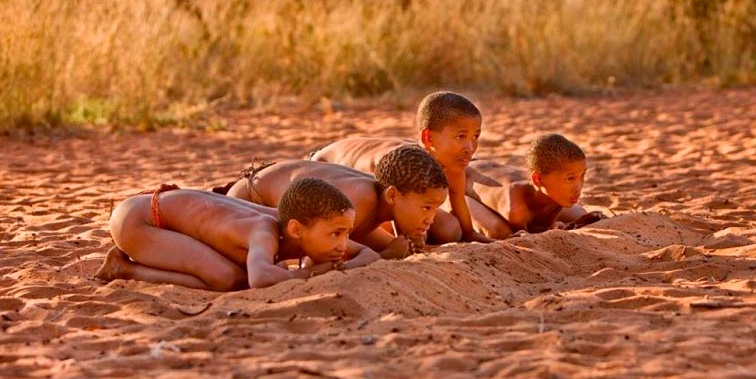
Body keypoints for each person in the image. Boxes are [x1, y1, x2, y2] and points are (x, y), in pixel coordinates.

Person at [95, 179, 379, 291]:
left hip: (168, 210)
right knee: (228, 279)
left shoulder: (308, 227)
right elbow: (260, 279)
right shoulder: (264, 231)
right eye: (336, 235)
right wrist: (319, 273)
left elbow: (368, 253)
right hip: (141, 219)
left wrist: (341, 264)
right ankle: (125, 268)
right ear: (296, 229)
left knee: (269, 267)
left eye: (346, 234)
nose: (343, 244)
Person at [309, 91, 492, 243]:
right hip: (327, 164)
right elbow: (393, 204)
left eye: (475, 136)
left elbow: (464, 223)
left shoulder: (453, 163)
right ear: (428, 138)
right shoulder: (398, 163)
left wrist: (479, 238)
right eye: (461, 137)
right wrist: (406, 240)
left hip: (377, 193)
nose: (470, 147)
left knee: (450, 230)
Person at [221, 145, 449, 258]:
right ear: (392, 196)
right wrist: (382, 256)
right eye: (426, 208)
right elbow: (315, 255)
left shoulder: (377, 200)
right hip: (249, 201)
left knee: (393, 247)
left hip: (273, 198)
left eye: (435, 209)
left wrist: (404, 244)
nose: (430, 218)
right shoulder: (359, 199)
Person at [466, 133, 605, 239]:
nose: (578, 187)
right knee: (499, 231)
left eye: (582, 176)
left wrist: (555, 226)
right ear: (538, 180)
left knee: (580, 213)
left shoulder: (557, 193)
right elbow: (526, 235)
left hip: (497, 170)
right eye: (570, 178)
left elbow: (545, 225)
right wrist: (556, 227)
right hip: (465, 181)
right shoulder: (516, 210)